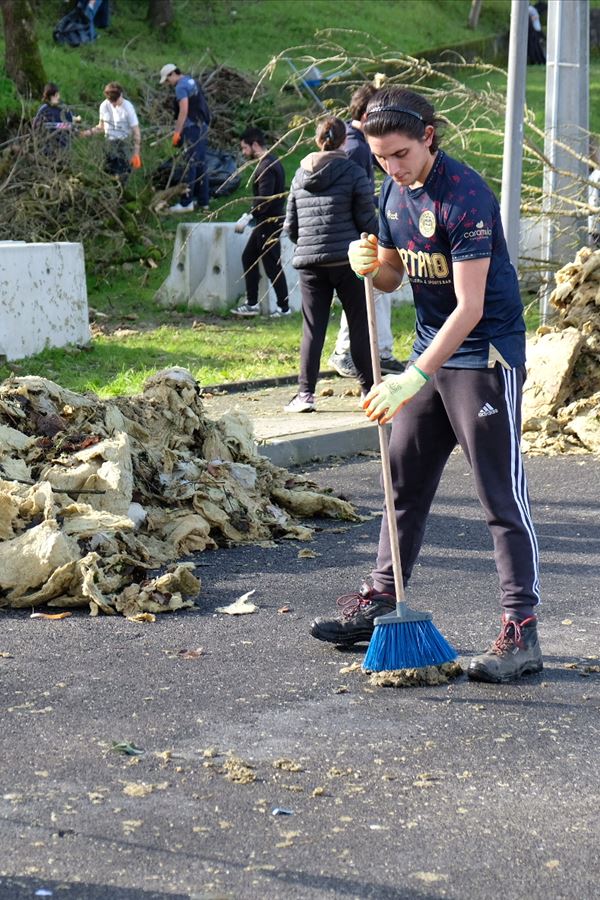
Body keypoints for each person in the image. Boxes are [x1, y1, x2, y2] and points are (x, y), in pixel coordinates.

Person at [310, 88, 542, 684]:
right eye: (382, 157)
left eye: (402, 154)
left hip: (482, 354)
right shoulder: (392, 191)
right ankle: (383, 598)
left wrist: (410, 376)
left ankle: (521, 629)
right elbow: (391, 275)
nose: (393, 167)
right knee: (400, 479)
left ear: (429, 137)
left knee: (498, 495)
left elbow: (467, 307)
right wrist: (373, 265)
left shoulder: (466, 197)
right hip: (429, 353)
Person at [282, 115, 376, 413]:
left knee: (313, 328)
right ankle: (369, 390)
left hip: (310, 262)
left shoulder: (299, 175)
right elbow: (367, 219)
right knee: (359, 325)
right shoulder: (353, 171)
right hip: (348, 260)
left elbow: (290, 227)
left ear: (317, 139)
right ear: (344, 141)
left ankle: (305, 395)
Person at [328, 84, 404, 380]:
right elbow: (356, 195)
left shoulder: (356, 142)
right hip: (354, 233)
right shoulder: (357, 148)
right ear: (367, 114)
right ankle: (347, 350)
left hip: (356, 228)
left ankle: (380, 351)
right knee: (365, 291)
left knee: (375, 292)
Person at [231, 127, 290, 318]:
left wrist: (249, 215)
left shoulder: (266, 167)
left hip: (269, 222)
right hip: (265, 222)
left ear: (254, 144)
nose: (243, 152)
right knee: (249, 257)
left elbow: (265, 198)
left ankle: (284, 307)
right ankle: (252, 303)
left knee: (272, 264)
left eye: (244, 148)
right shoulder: (271, 162)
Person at [159, 64, 211, 213]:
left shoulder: (180, 87)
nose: (168, 84)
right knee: (201, 164)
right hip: (202, 126)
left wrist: (177, 132)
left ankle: (186, 202)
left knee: (190, 165)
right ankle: (204, 201)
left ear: (171, 74)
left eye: (167, 81)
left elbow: (183, 111)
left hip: (192, 129)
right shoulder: (191, 81)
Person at [82, 82, 141, 181]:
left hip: (124, 144)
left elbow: (136, 131)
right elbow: (101, 127)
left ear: (121, 95)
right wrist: (85, 133)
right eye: (111, 101)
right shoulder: (104, 106)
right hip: (109, 143)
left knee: (121, 175)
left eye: (115, 101)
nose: (113, 104)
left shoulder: (128, 108)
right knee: (106, 174)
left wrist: (136, 153)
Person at [33, 82, 75, 153]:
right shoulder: (44, 109)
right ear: (55, 95)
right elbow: (36, 126)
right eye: (57, 94)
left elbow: (71, 126)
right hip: (47, 148)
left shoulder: (64, 108)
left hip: (62, 148)